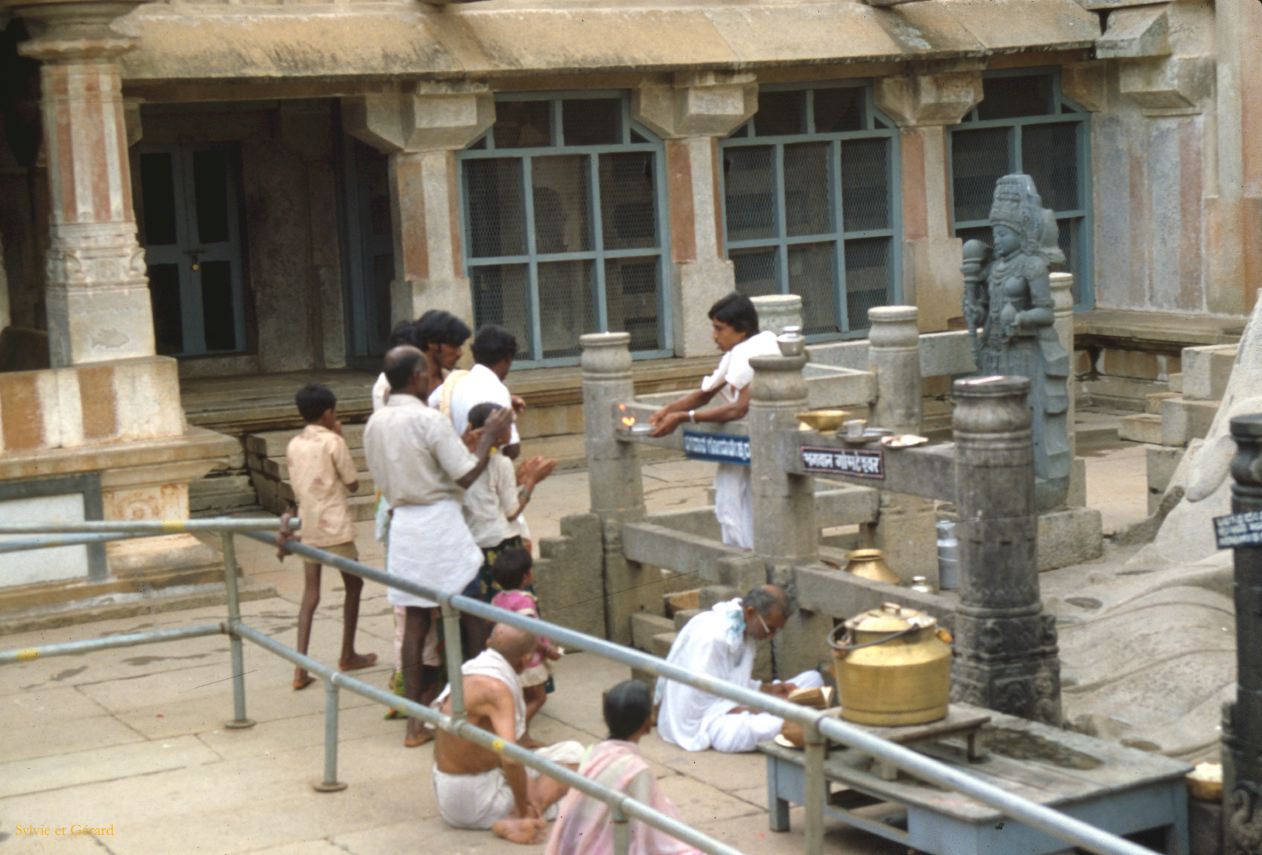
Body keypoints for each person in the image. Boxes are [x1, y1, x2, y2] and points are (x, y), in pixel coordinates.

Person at [363, 345, 514, 747]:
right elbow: (465, 475)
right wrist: (491, 439)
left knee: (416, 622)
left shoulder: (375, 423)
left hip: (406, 527)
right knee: (471, 613)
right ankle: (476, 709)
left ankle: (416, 723)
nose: (433, 378)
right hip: (440, 526)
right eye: (428, 372)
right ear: (416, 377)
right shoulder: (427, 420)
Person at [648, 293, 779, 548]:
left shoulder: (757, 350)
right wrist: (668, 409)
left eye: (719, 328)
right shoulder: (737, 352)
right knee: (731, 506)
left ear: (740, 330)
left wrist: (685, 417)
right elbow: (705, 394)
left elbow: (738, 409)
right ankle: (744, 563)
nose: (714, 335)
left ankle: (751, 565)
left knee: (744, 509)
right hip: (741, 445)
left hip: (763, 443)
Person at [432, 623, 583, 844]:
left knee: (573, 751)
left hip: (459, 787)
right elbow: (511, 758)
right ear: (525, 660)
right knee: (583, 794)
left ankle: (528, 808)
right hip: (473, 800)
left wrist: (528, 785)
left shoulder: (472, 668)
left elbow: (509, 754)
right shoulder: (496, 689)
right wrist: (523, 805)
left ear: (488, 644)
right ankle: (523, 817)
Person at [282, 383, 376, 690]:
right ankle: (347, 653)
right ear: (328, 413)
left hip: (308, 525)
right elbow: (352, 484)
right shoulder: (332, 442)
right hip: (334, 525)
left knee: (311, 595)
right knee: (354, 583)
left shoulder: (294, 443)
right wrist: (340, 437)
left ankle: (300, 668)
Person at [654, 585, 823, 753]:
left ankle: (797, 720)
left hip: (731, 701)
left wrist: (768, 690)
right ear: (750, 612)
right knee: (765, 726)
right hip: (705, 722)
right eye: (770, 628)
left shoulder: (743, 628)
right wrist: (766, 706)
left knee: (813, 678)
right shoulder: (713, 639)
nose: (771, 636)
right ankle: (800, 723)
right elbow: (700, 706)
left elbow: (733, 682)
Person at [546, 680, 701, 855]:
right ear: (646, 723)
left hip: (579, 844)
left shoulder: (594, 753)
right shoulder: (636, 770)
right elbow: (645, 829)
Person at [489, 547, 561, 744]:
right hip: (529, 660)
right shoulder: (523, 602)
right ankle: (517, 732)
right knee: (538, 698)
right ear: (526, 576)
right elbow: (529, 633)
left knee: (520, 699)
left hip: (509, 658)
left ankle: (523, 734)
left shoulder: (498, 599)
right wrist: (547, 649)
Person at [431, 323, 525, 457]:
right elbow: (511, 448)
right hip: (483, 469)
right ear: (507, 358)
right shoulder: (497, 390)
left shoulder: (451, 384)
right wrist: (509, 419)